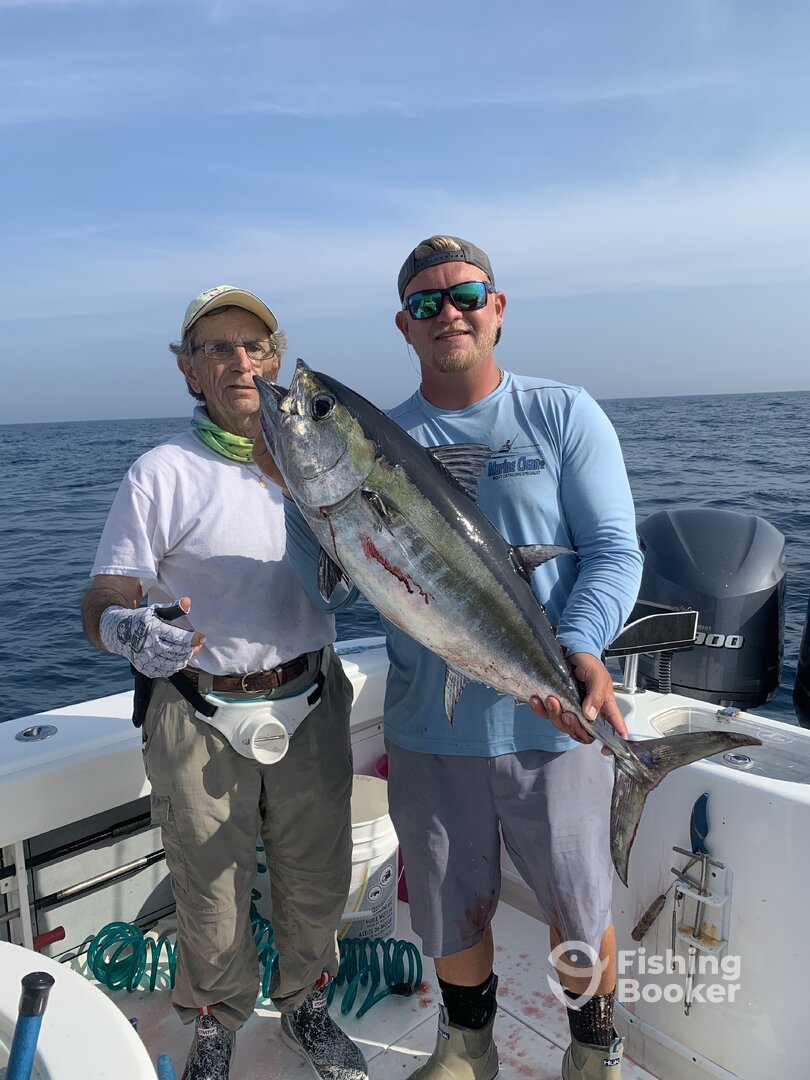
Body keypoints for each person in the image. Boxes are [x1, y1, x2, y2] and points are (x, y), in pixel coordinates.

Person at [268, 237, 644, 1080]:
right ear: (405, 326)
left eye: (466, 295)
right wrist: (294, 486)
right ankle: (467, 1048)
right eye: (426, 303)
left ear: (497, 309)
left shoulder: (561, 413)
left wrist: (581, 644)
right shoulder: (383, 436)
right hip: (429, 730)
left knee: (579, 911)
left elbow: (615, 552)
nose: (450, 313)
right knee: (447, 911)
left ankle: (594, 1050)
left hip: (556, 726)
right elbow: (330, 590)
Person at [81, 285, 368, 1080]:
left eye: (256, 346)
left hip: (312, 698)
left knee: (318, 879)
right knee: (209, 893)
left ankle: (305, 1005)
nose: (241, 361)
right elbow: (104, 595)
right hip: (198, 709)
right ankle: (215, 1022)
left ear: (276, 359)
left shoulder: (325, 463)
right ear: (189, 370)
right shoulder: (162, 472)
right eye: (217, 348)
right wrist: (128, 629)